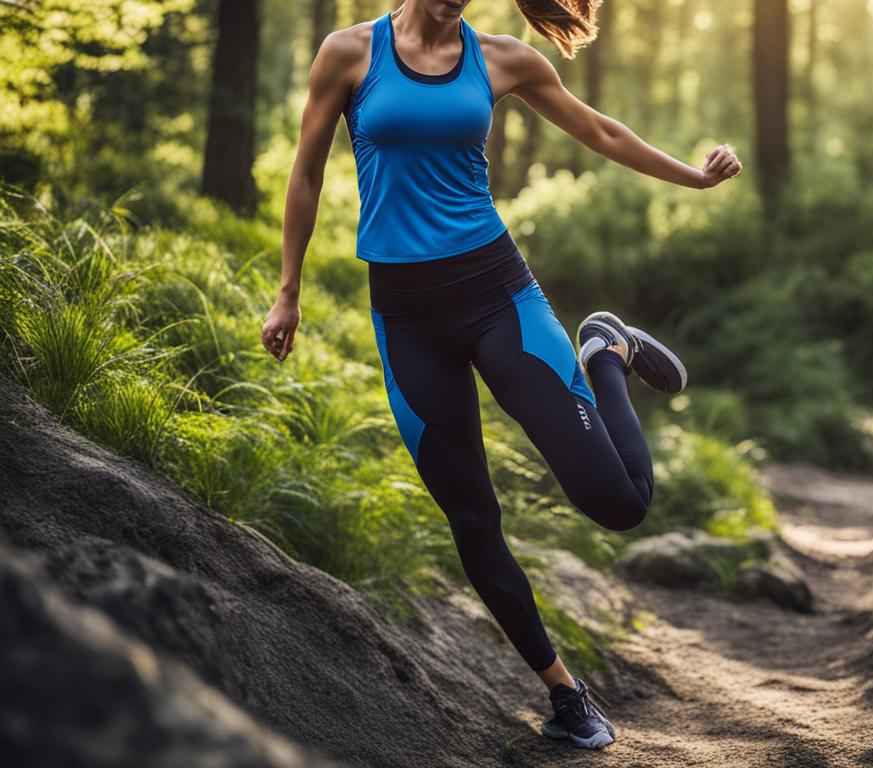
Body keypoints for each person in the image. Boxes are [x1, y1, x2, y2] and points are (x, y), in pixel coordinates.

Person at [259, 0, 742, 751]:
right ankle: (564, 694)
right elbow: (306, 172)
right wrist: (288, 290)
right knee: (474, 520)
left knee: (621, 502)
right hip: (406, 318)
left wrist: (696, 179)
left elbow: (600, 131)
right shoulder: (348, 53)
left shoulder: (503, 58)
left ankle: (605, 353)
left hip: (498, 297)